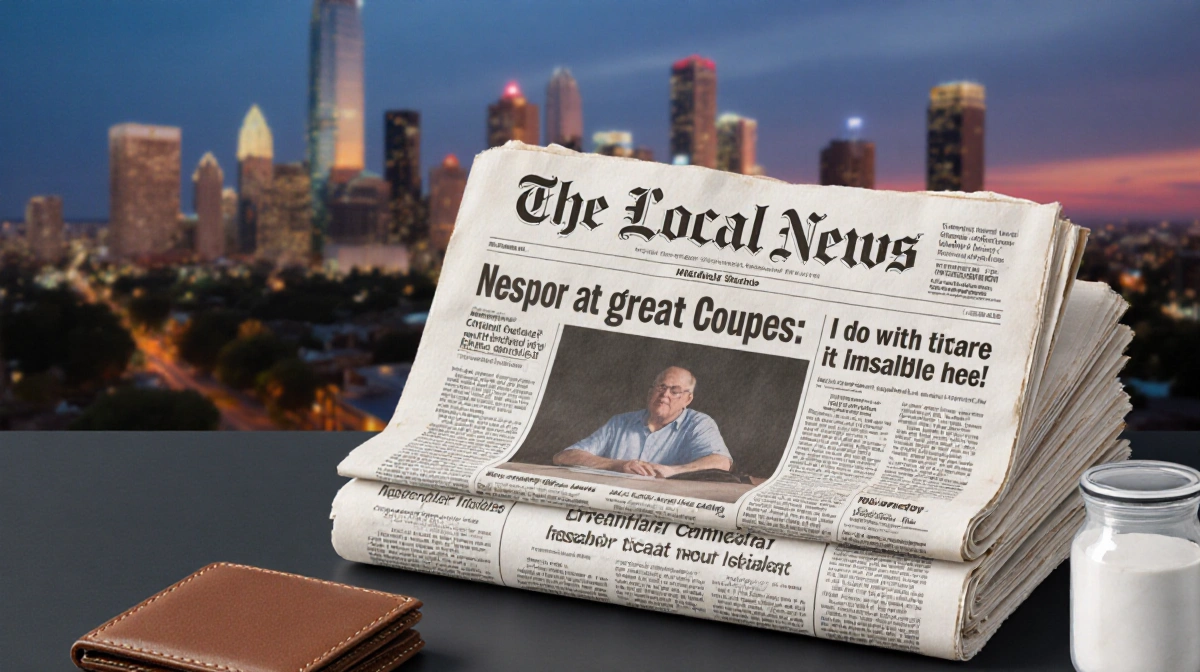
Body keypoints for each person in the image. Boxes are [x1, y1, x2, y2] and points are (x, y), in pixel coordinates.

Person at [551, 366, 732, 478]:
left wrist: (671, 471)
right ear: (650, 391)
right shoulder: (620, 423)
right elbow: (565, 456)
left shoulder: (699, 424)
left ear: (688, 399)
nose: (665, 394)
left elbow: (722, 462)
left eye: (675, 391)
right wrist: (619, 465)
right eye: (661, 387)